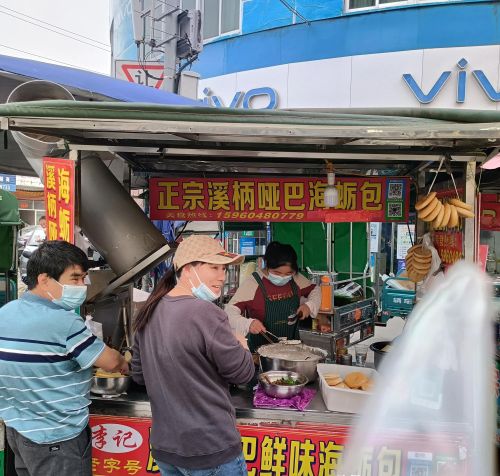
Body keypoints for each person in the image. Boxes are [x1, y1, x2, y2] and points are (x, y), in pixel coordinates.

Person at [0, 240, 129, 476]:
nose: (81, 286)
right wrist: (126, 362)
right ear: (44, 279)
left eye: (83, 279)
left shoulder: (5, 312)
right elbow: (111, 363)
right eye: (75, 278)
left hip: (18, 432)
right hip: (57, 439)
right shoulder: (65, 321)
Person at [131, 235, 254, 476]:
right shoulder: (206, 313)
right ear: (188, 269)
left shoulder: (149, 309)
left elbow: (139, 375)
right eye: (214, 267)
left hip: (167, 449)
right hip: (209, 449)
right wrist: (243, 345)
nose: (222, 276)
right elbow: (243, 374)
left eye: (224, 269)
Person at [226, 241, 321, 351]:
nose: (282, 277)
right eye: (277, 273)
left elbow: (315, 289)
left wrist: (309, 306)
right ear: (267, 265)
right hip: (260, 353)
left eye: (288, 274)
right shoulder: (253, 283)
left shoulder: (296, 279)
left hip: (293, 349)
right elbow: (229, 313)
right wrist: (248, 323)